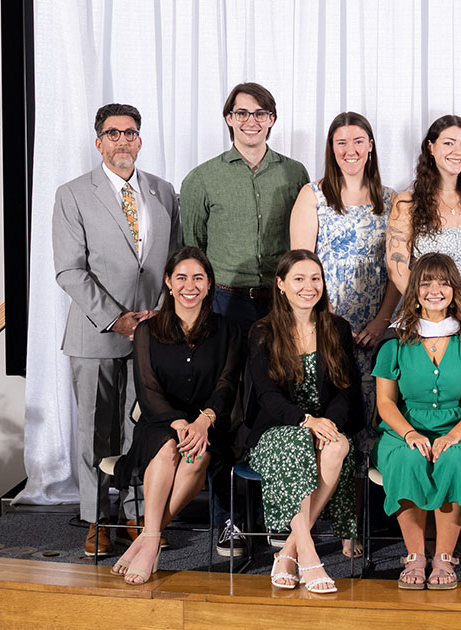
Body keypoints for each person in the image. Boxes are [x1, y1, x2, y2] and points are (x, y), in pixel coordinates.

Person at [181, 82, 309, 556]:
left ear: (272, 119)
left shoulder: (295, 173)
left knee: (278, 404)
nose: (251, 121)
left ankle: (280, 515)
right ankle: (228, 519)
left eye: (260, 113)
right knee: (225, 406)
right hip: (224, 304)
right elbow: (192, 252)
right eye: (241, 113)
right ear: (228, 119)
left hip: (279, 305)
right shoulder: (202, 179)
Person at [52, 103, 180, 557]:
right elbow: (70, 270)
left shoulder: (163, 192)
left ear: (140, 141)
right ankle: (96, 519)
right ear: (98, 142)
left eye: (130, 133)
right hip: (96, 333)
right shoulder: (73, 194)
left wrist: (159, 314)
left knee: (142, 429)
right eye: (113, 133)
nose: (122, 141)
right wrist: (116, 317)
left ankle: (135, 514)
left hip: (151, 334)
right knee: (95, 432)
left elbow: (175, 262)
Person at [290, 111, 397, 557]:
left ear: (371, 145)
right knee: (331, 423)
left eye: (358, 141)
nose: (350, 150)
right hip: (325, 330)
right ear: (331, 149)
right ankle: (321, 523)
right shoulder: (312, 195)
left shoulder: (392, 200)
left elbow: (399, 270)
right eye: (341, 143)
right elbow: (301, 267)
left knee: (369, 426)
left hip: (376, 334)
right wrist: (331, 322)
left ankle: (358, 527)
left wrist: (381, 321)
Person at [112, 247, 241, 584]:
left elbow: (227, 384)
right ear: (168, 282)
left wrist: (203, 420)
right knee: (169, 447)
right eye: (181, 277)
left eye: (198, 278)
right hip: (159, 422)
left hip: (209, 424)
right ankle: (152, 539)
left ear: (209, 284)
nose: (190, 285)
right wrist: (179, 422)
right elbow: (147, 389)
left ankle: (146, 539)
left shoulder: (227, 330)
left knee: (196, 457)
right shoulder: (147, 330)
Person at [372, 253, 461, 590]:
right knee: (407, 459)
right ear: (415, 291)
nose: (435, 291)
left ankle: (444, 557)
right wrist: (410, 433)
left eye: (443, 283)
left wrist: (453, 436)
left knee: (455, 460)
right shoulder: (395, 341)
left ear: (454, 290)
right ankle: (415, 556)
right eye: (426, 283)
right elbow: (385, 403)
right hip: (405, 428)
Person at [245, 250, 362, 594]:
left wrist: (327, 423)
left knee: (338, 445)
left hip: (324, 424)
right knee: (297, 442)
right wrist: (306, 421)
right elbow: (266, 395)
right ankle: (309, 554)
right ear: (281, 284)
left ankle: (287, 552)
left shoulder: (337, 328)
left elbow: (347, 389)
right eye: (298, 279)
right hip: (276, 428)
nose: (308, 287)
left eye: (315, 278)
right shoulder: (262, 332)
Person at [388, 115, 461, 329]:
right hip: (426, 317)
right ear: (430, 147)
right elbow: (396, 267)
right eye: (448, 143)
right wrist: (429, 309)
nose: (458, 151)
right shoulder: (408, 203)